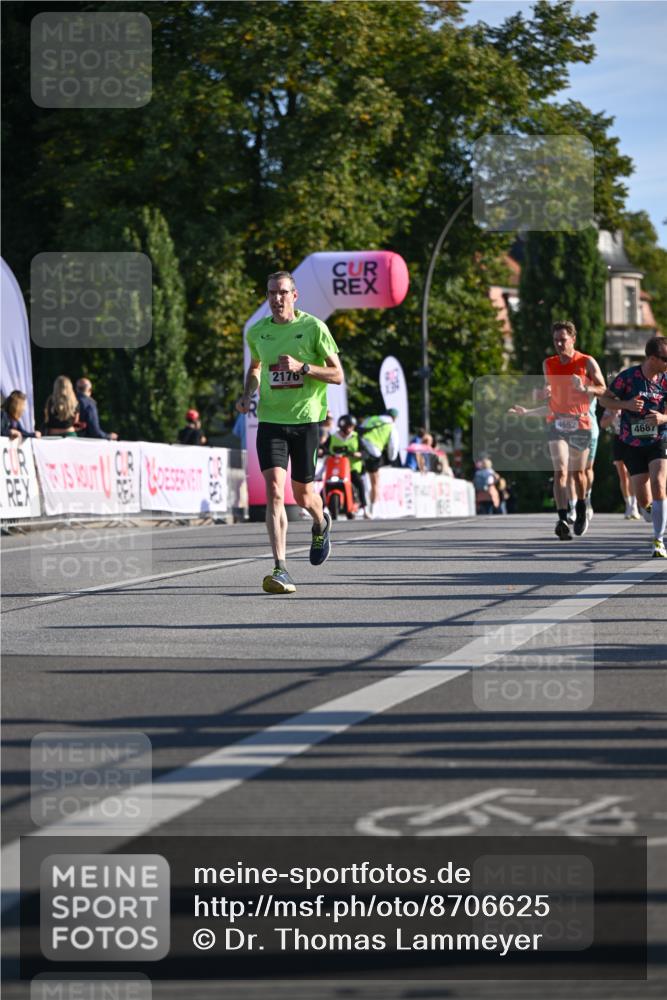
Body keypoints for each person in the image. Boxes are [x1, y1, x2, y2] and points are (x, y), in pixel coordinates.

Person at [236, 270, 343, 594]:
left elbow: (337, 374)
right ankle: (280, 568)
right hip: (270, 420)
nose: (276, 299)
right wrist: (246, 394)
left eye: (282, 293)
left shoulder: (313, 328)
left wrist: (303, 367)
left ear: (294, 296)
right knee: (274, 492)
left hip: (306, 420)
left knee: (303, 496)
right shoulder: (258, 333)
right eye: (271, 293)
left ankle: (320, 521)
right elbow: (255, 368)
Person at [510, 321, 605, 540]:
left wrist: (585, 387)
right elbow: (553, 399)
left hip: (580, 424)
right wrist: (531, 408)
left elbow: (603, 389)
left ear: (573, 339)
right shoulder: (548, 364)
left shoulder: (586, 361)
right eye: (556, 340)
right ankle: (562, 518)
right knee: (560, 471)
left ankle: (581, 508)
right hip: (557, 423)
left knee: (577, 473)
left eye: (563, 340)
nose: (559, 344)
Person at [596, 335, 667, 558]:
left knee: (658, 483)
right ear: (653, 358)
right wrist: (625, 404)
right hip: (632, 442)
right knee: (644, 500)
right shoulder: (628, 377)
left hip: (659, 439)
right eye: (666, 358)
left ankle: (658, 540)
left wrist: (663, 419)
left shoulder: (666, 379)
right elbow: (603, 400)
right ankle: (654, 514)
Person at [600, 407, 641, 519]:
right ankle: (629, 504)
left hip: (633, 437)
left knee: (631, 474)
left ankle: (634, 506)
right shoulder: (612, 404)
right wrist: (613, 414)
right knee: (622, 474)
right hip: (619, 439)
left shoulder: (632, 401)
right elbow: (603, 424)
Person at [327, 414, 369, 518]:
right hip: (336, 469)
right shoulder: (333, 437)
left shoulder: (356, 437)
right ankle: (318, 507)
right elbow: (324, 447)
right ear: (342, 426)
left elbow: (365, 452)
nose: (350, 429)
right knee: (324, 484)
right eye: (348, 426)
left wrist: (359, 454)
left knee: (359, 483)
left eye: (352, 426)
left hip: (352, 469)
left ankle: (365, 509)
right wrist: (321, 450)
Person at [358, 408, 399, 512]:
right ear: (394, 418)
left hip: (359, 448)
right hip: (373, 452)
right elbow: (393, 446)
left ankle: (358, 504)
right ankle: (371, 509)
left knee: (358, 477)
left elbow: (360, 429)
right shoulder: (391, 426)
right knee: (374, 481)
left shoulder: (372, 418)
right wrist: (391, 458)